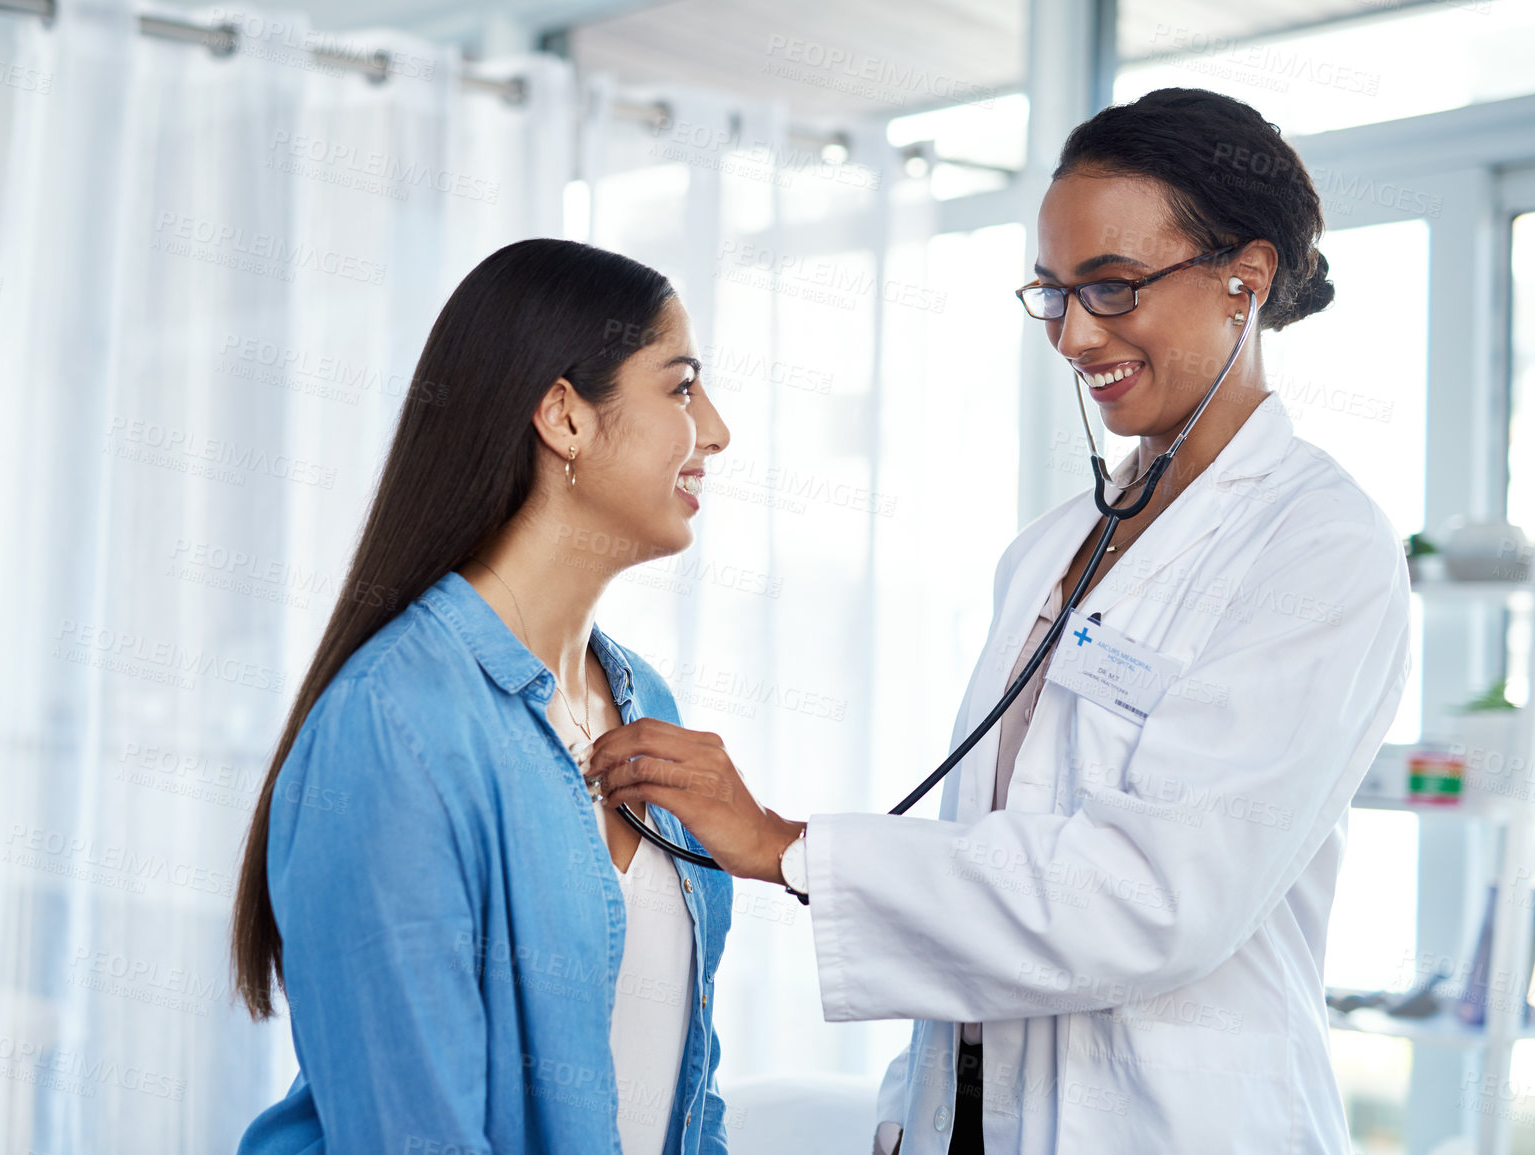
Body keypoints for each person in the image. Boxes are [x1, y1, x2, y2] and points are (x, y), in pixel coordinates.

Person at [580, 87, 1413, 1154]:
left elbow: (1154, 898)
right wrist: (912, 1108)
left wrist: (785, 846)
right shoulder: (1052, 548)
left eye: (1112, 288)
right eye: (1054, 294)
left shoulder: (1319, 549)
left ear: (1244, 281)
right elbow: (987, 858)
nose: (1074, 334)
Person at [231, 238, 735, 1155]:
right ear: (564, 417)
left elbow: (682, 1080)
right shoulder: (393, 726)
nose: (716, 430)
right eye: (680, 386)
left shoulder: (645, 701)